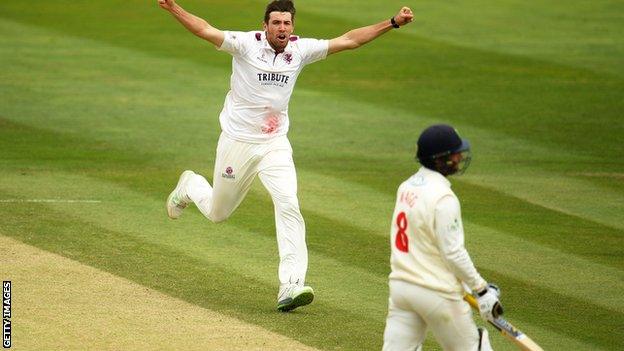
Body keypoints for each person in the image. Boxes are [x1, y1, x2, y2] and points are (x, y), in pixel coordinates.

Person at [159, 0, 414, 312]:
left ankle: (290, 285)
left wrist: (393, 22)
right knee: (218, 213)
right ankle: (190, 185)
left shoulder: (300, 50)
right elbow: (205, 30)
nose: (282, 28)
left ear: (293, 27)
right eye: (276, 23)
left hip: (275, 143)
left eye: (287, 23)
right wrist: (175, 9)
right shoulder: (245, 45)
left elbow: (350, 40)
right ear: (265, 25)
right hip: (237, 142)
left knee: (288, 202)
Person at [382, 124, 503, 350]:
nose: (459, 157)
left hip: (401, 289)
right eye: (455, 154)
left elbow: (424, 245)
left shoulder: (406, 187)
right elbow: (453, 253)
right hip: (435, 293)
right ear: (441, 159)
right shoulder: (444, 198)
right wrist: (482, 290)